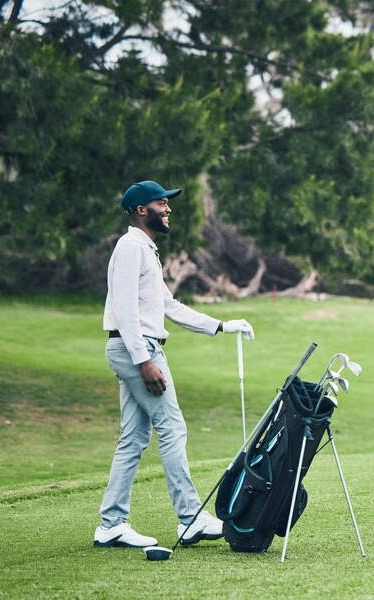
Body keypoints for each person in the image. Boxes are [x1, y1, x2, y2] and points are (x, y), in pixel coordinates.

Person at [95, 180, 255, 549]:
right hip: (137, 350)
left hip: (138, 348)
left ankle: (111, 523)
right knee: (172, 427)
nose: (168, 209)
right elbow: (124, 310)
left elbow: (167, 306)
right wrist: (144, 361)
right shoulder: (130, 246)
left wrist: (220, 325)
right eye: (161, 203)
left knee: (134, 438)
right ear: (141, 210)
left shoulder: (146, 250)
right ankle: (190, 519)